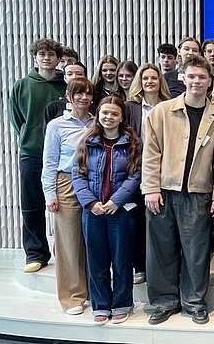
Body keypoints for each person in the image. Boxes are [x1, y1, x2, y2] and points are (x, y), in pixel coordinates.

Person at [142, 55, 214, 325]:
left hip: (199, 193)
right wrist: (150, 188)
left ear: (210, 81)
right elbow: (151, 153)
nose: (196, 81)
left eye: (202, 77)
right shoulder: (161, 112)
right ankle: (164, 301)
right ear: (183, 78)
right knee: (161, 250)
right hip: (163, 191)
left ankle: (194, 302)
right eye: (191, 76)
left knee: (196, 252)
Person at [72, 96, 142, 325]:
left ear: (121, 117)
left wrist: (116, 201)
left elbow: (135, 176)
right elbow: (77, 174)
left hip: (120, 211)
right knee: (96, 260)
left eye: (114, 114)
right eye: (105, 113)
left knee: (122, 260)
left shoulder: (133, 143)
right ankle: (100, 305)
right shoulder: (87, 141)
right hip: (93, 211)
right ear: (98, 115)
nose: (109, 117)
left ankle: (122, 304)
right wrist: (91, 203)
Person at [9, 38, 67, 272]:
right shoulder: (22, 86)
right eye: (42, 54)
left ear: (58, 59)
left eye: (51, 54)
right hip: (32, 153)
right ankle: (35, 253)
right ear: (35, 57)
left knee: (65, 205)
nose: (46, 58)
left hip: (63, 157)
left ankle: (66, 253)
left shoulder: (66, 86)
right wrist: (31, 137)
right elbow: (17, 119)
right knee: (32, 205)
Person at [41, 78, 94, 314]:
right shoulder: (57, 125)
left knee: (92, 240)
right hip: (66, 183)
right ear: (69, 96)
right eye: (78, 93)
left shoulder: (97, 122)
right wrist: (49, 194)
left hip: (93, 183)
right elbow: (50, 162)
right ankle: (72, 297)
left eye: (88, 93)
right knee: (69, 242)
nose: (84, 97)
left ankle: (93, 291)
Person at [124, 63, 171, 284]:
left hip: (164, 170)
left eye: (154, 78)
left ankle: (160, 268)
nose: (150, 82)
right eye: (146, 78)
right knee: (137, 222)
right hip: (136, 170)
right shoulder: (130, 107)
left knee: (160, 222)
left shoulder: (170, 106)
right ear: (140, 82)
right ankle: (140, 267)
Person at [44, 61, 88, 128]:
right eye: (70, 74)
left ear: (85, 77)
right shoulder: (53, 107)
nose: (74, 77)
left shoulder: (92, 103)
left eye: (79, 74)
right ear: (65, 78)